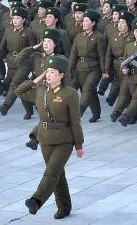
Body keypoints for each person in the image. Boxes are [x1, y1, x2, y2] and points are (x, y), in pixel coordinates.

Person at [16, 55, 84, 220]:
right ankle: (64, 207)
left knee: (51, 172)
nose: (48, 75)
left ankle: (36, 200)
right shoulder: (40, 91)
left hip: (64, 140)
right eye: (47, 71)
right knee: (57, 174)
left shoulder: (70, 94)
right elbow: (19, 91)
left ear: (61, 75)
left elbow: (75, 121)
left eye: (52, 72)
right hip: (45, 139)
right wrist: (36, 80)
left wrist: (79, 144)